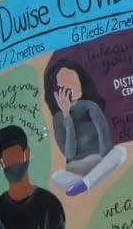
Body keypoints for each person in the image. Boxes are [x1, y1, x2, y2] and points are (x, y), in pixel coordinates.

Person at [41, 53, 119, 196]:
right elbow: (69, 153)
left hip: (100, 164)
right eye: (66, 85)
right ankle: (90, 181)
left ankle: (87, 183)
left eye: (74, 81)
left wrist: (100, 162)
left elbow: (107, 147)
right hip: (75, 172)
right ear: (56, 91)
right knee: (56, 176)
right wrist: (66, 115)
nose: (72, 86)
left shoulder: (91, 107)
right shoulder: (59, 118)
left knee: (120, 152)